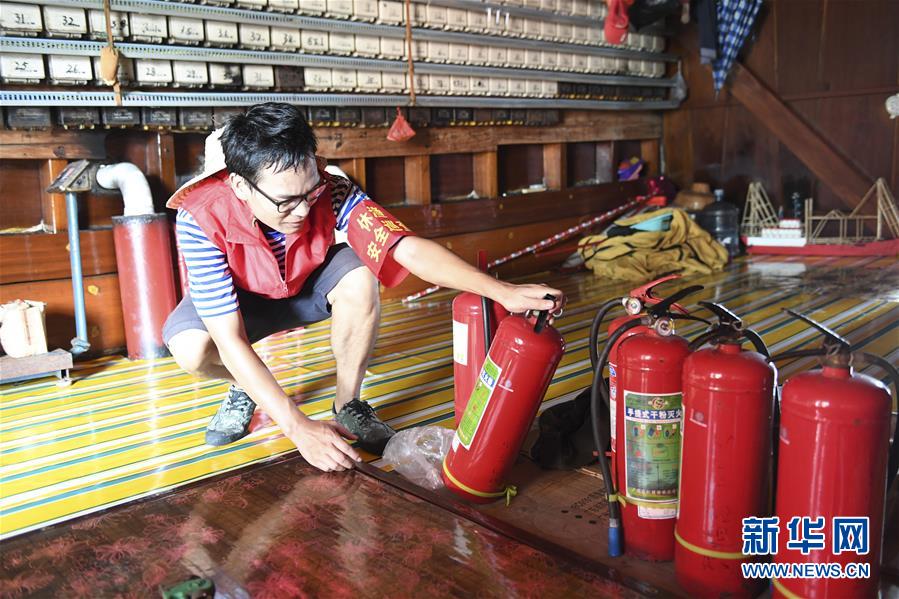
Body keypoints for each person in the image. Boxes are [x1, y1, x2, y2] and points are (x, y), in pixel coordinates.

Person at [162, 102, 565, 473]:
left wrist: (502, 291)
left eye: (310, 193)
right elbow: (229, 337)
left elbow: (402, 247)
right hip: (242, 300)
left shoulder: (330, 188)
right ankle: (242, 386)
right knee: (192, 350)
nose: (303, 210)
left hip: (306, 284)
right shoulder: (200, 218)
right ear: (240, 186)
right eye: (286, 201)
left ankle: (347, 403)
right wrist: (297, 426)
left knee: (360, 274)